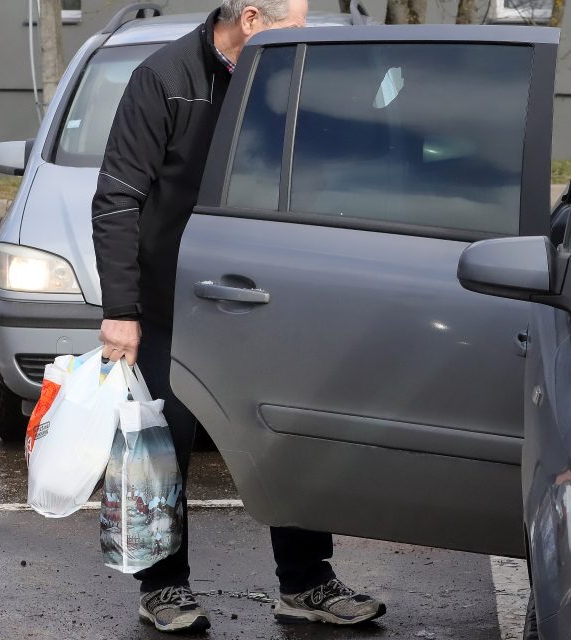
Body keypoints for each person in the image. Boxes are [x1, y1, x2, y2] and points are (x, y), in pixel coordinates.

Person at [91, 0, 387, 633]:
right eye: (296, 22)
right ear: (251, 19)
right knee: (163, 443)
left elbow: (334, 170)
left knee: (291, 433)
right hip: (174, 298)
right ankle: (164, 588)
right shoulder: (165, 80)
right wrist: (121, 311)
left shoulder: (291, 74)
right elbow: (118, 199)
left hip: (268, 295)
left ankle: (307, 582)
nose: (306, 36)